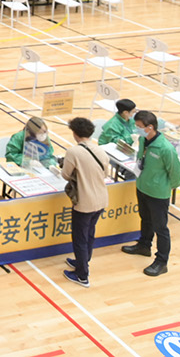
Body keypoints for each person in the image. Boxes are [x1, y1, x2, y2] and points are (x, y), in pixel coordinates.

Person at [121, 110, 179, 276]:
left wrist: (166, 187)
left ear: (150, 127)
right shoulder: (142, 139)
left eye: (139, 127)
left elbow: (175, 172)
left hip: (158, 193)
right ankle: (144, 245)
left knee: (160, 228)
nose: (137, 129)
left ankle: (161, 261)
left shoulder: (165, 148)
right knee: (145, 218)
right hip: (142, 186)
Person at [60, 116, 113, 287]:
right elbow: (105, 173)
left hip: (84, 201)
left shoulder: (74, 152)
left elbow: (65, 174)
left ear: (75, 133)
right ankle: (83, 261)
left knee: (80, 237)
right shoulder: (100, 151)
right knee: (89, 234)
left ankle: (82, 275)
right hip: (101, 198)